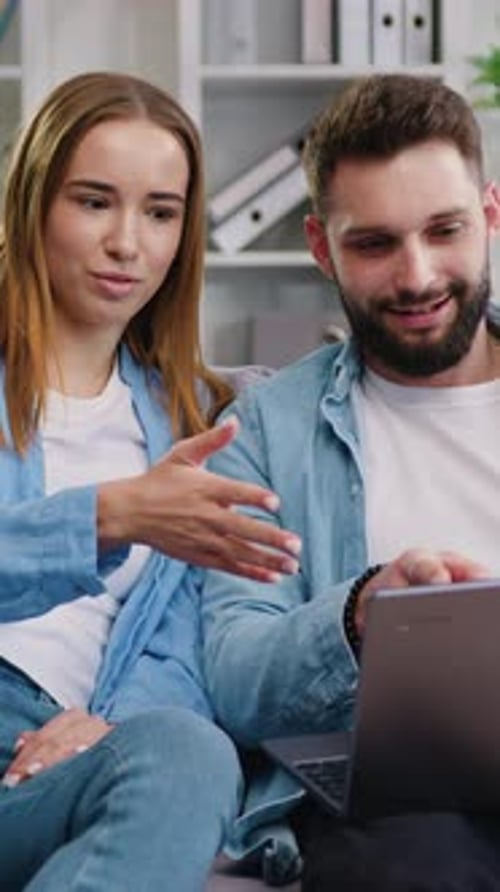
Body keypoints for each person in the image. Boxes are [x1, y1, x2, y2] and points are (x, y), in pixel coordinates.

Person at [0, 70, 302, 891]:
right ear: (33, 203)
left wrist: (105, 729)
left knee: (189, 753)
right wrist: (108, 515)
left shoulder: (207, 417)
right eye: (94, 202)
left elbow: (187, 646)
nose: (128, 244)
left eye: (160, 213)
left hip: (72, 752)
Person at [201, 73, 500, 889]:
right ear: (321, 246)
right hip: (403, 810)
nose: (417, 276)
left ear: (491, 216)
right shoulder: (261, 428)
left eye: (446, 231)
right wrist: (362, 609)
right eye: (375, 244)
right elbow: (233, 674)